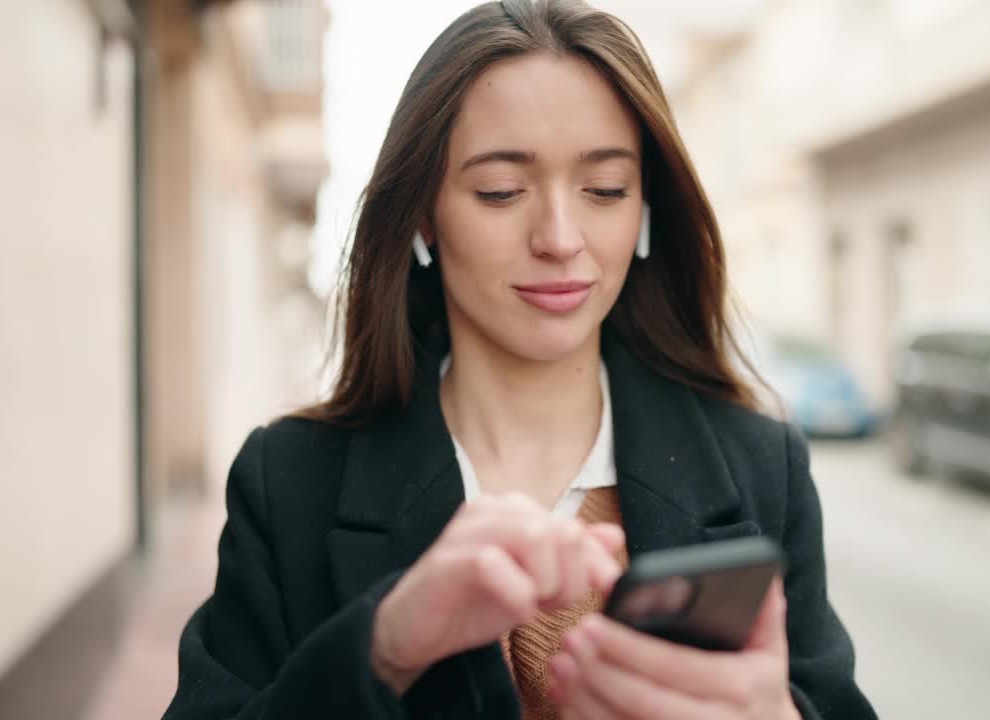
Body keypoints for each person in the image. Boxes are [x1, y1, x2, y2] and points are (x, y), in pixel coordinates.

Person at [163, 1, 876, 718]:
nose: (561, 237)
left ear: (645, 210)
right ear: (422, 215)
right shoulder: (288, 482)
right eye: (500, 191)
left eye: (605, 190)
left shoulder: (762, 466)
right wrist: (383, 650)